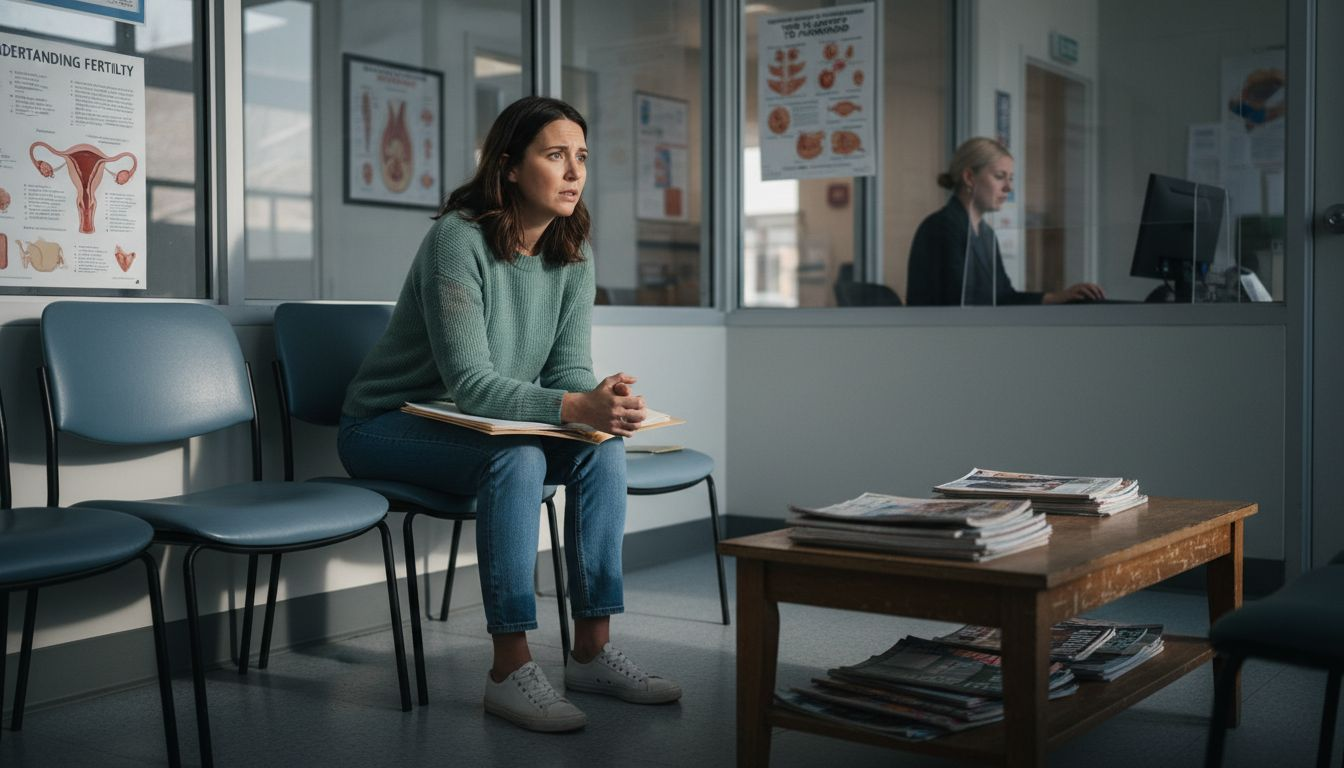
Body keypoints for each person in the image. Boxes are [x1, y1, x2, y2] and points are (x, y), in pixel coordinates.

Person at [338, 96, 681, 733]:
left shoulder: (571, 251)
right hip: (385, 425)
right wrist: (571, 404)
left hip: (482, 423)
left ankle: (592, 650)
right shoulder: (456, 240)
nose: (574, 172)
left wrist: (599, 400)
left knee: (602, 445)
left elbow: (566, 372)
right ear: (510, 167)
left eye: (581, 157)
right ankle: (509, 669)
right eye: (555, 156)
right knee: (517, 457)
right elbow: (470, 384)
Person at [906, 137, 1104, 306]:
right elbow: (960, 301)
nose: (1008, 188)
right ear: (969, 177)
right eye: (1000, 177)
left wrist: (1058, 297)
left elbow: (1002, 297)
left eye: (1010, 178)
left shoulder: (987, 234)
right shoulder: (940, 228)